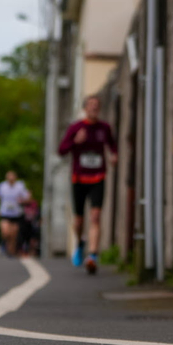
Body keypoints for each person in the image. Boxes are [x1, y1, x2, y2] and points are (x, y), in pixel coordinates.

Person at [58, 95, 117, 274]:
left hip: (98, 177)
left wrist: (114, 154)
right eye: (90, 105)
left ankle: (93, 255)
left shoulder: (104, 128)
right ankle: (81, 242)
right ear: (85, 108)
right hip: (79, 178)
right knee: (78, 220)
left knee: (96, 216)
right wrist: (75, 142)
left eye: (96, 105)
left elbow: (112, 145)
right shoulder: (76, 128)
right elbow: (61, 150)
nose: (94, 108)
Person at [0, 171, 32, 257]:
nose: (11, 179)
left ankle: (11, 252)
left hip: (16, 214)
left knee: (14, 234)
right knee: (5, 231)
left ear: (15, 178)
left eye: (12, 177)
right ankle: (5, 244)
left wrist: (23, 200)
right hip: (5, 213)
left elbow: (28, 198)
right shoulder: (2, 186)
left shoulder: (20, 186)